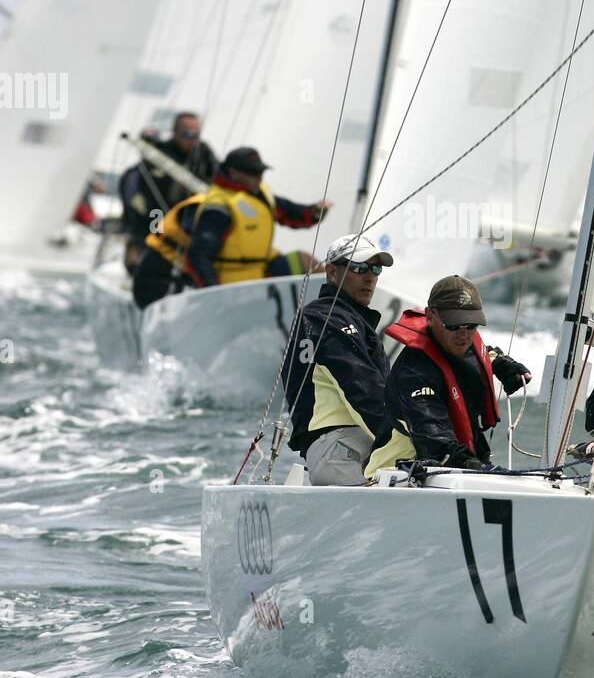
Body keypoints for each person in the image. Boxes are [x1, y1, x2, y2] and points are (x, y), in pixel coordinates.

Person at [365, 275, 531, 477]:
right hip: (396, 476)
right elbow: (435, 442)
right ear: (430, 315)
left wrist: (501, 364)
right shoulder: (413, 373)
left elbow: (482, 353)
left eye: (471, 325)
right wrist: (482, 469)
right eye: (453, 325)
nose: (464, 335)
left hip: (450, 472)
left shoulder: (461, 344)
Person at [131, 146, 329, 308]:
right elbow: (198, 258)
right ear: (234, 173)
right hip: (232, 283)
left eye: (260, 172)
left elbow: (290, 212)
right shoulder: (218, 208)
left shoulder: (258, 194)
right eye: (253, 173)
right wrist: (217, 297)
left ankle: (335, 310)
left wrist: (312, 212)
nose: (259, 177)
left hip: (259, 270)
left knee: (304, 261)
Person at [283, 234, 394, 485]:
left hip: (347, 445)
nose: (370, 276)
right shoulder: (327, 319)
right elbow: (360, 389)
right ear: (331, 271)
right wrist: (401, 437)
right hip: (340, 447)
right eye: (358, 267)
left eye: (375, 269)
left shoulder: (339, 318)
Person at [120, 113, 218, 273]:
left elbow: (217, 175)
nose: (192, 139)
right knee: (150, 256)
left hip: (190, 223)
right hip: (156, 216)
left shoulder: (203, 152)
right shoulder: (161, 155)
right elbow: (150, 203)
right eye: (186, 134)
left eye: (196, 135)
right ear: (175, 132)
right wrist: (154, 236)